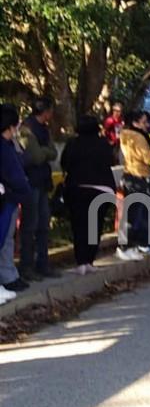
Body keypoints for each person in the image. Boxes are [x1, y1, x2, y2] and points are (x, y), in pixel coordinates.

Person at [60, 116, 116, 275]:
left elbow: (65, 163)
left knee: (79, 226)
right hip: (101, 190)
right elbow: (110, 160)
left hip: (78, 188)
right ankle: (90, 260)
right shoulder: (103, 144)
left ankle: (81, 262)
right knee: (95, 226)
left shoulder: (73, 144)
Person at [18, 96, 59, 281]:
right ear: (46, 110)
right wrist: (45, 152)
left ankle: (43, 263)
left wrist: (44, 152)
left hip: (43, 181)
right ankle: (26, 266)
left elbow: (53, 152)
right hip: (31, 181)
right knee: (30, 225)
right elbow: (35, 156)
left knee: (44, 223)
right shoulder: (27, 129)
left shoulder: (44, 129)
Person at [118, 110, 150, 261]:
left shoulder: (125, 134)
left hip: (130, 174)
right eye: (144, 122)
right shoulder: (138, 137)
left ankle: (131, 246)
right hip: (138, 176)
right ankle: (125, 247)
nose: (147, 125)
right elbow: (147, 158)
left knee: (133, 213)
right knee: (134, 215)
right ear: (135, 122)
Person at [0, 104, 32, 298]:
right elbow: (14, 173)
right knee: (3, 239)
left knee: (7, 240)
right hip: (6, 199)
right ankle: (7, 278)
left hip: (11, 199)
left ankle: (9, 276)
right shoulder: (3, 148)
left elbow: (23, 161)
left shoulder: (10, 145)